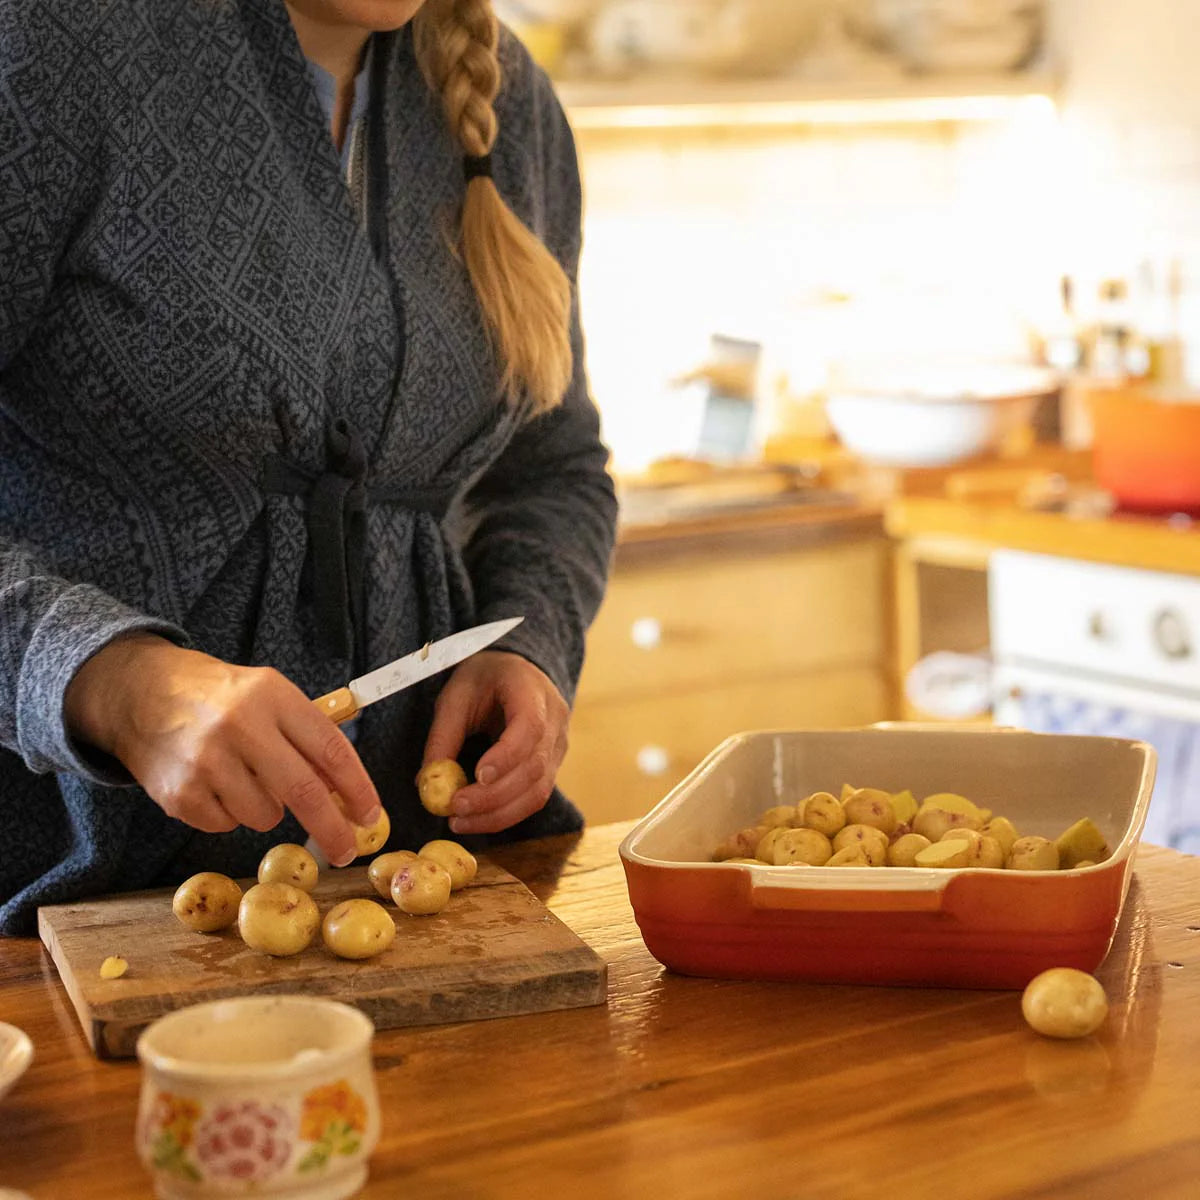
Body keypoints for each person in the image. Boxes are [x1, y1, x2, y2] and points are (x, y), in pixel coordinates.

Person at [0, 0, 618, 935]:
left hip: (426, 889)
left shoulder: (514, 101)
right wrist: (105, 680)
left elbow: (553, 469)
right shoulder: (49, 46)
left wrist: (524, 645)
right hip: (60, 889)